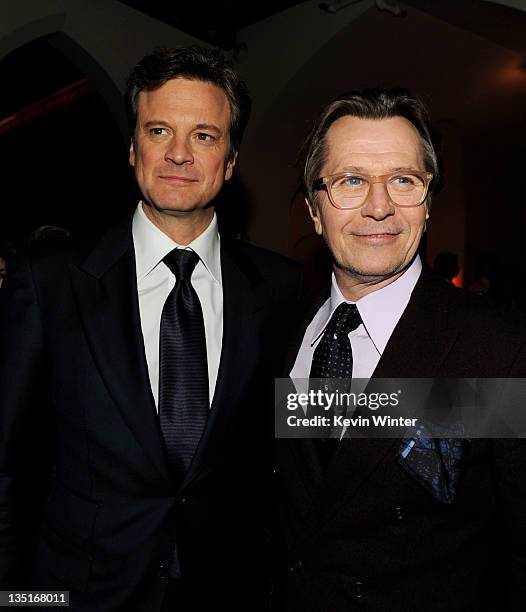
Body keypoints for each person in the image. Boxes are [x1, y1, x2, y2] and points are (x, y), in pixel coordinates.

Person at [0, 45, 303, 610]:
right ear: (133, 148)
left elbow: (296, 445)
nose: (180, 154)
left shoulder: (281, 288)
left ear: (231, 160)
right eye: (160, 130)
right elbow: (9, 467)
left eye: (205, 136)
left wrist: (488, 406)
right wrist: (20, 600)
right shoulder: (49, 283)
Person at [275, 89, 526, 611]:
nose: (380, 205)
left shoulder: (498, 345)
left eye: (403, 181)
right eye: (351, 181)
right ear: (314, 210)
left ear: (428, 204)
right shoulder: (282, 333)